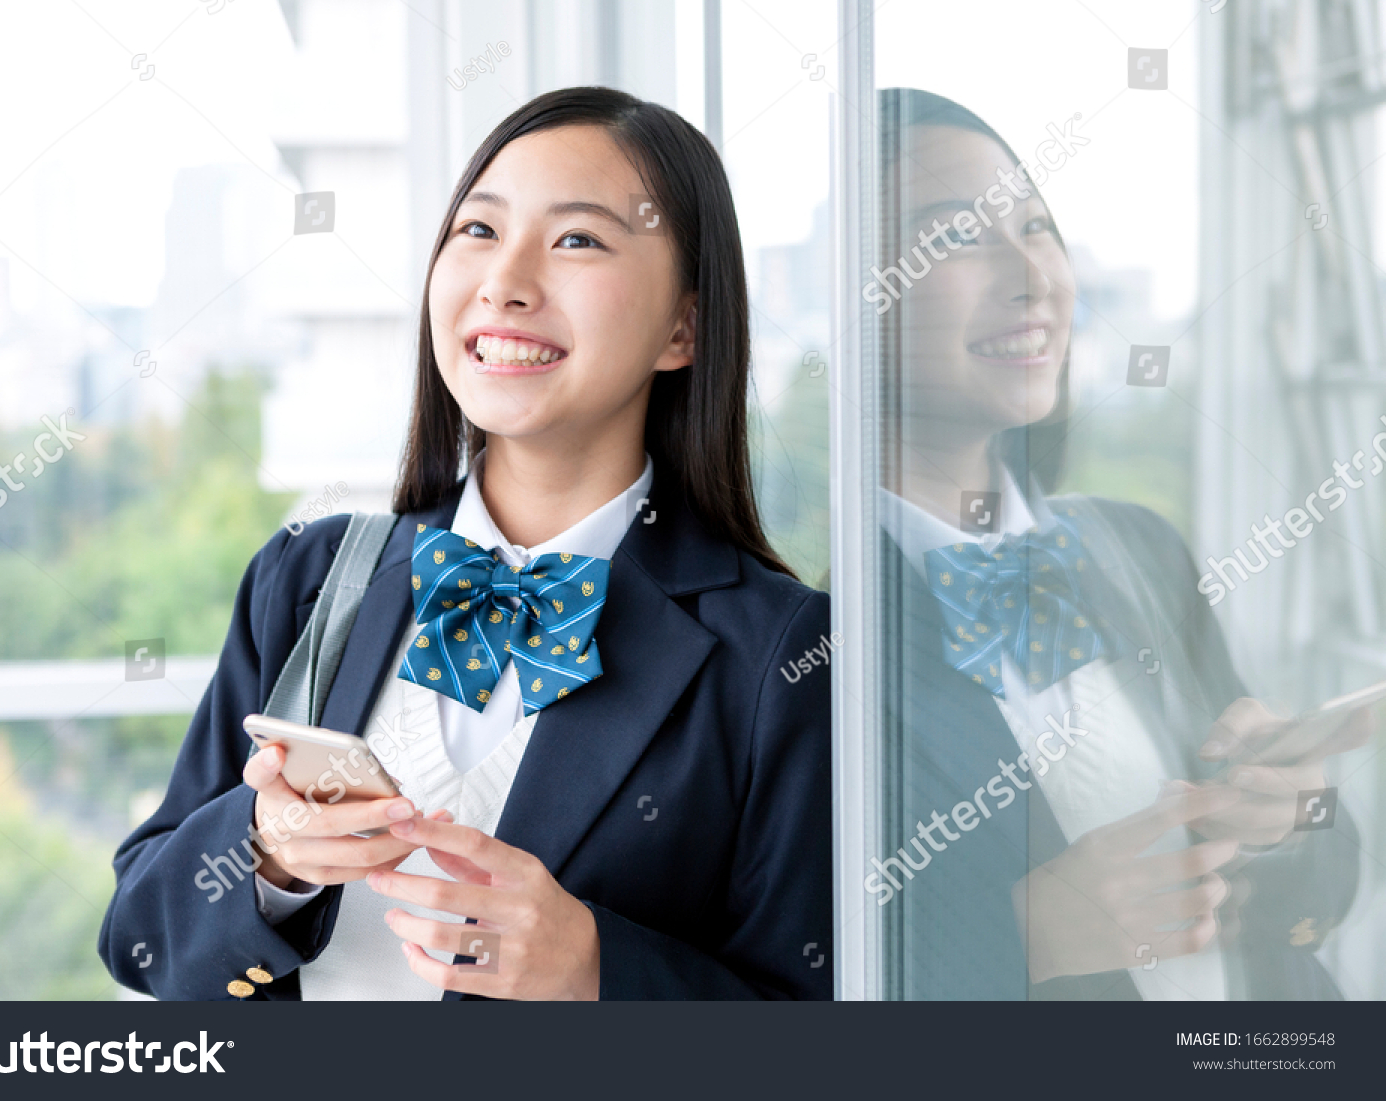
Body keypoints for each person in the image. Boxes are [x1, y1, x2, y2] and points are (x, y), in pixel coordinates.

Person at [98, 87, 832, 1001]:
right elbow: (140, 945)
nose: (505, 282)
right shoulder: (308, 579)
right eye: (478, 231)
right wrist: (268, 858)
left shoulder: (781, 654)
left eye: (577, 240)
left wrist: (600, 972)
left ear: (682, 327)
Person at [869, 89, 1368, 999]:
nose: (1033, 276)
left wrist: (1293, 817)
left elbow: (1312, 901)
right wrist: (1021, 941)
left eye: (1035, 226)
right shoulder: (811, 645)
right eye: (955, 237)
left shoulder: (1138, 546)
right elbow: (785, 985)